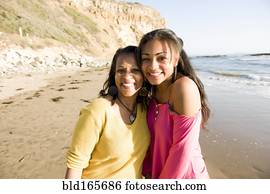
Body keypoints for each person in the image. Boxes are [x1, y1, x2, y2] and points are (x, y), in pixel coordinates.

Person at [65, 46, 150, 179]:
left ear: (144, 76)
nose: (127, 77)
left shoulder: (145, 110)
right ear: (113, 74)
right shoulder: (98, 110)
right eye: (121, 70)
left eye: (135, 70)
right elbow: (75, 166)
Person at [138, 29, 210, 179]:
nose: (152, 66)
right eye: (146, 58)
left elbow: (182, 149)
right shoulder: (151, 90)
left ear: (176, 59)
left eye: (161, 58)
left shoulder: (184, 87)